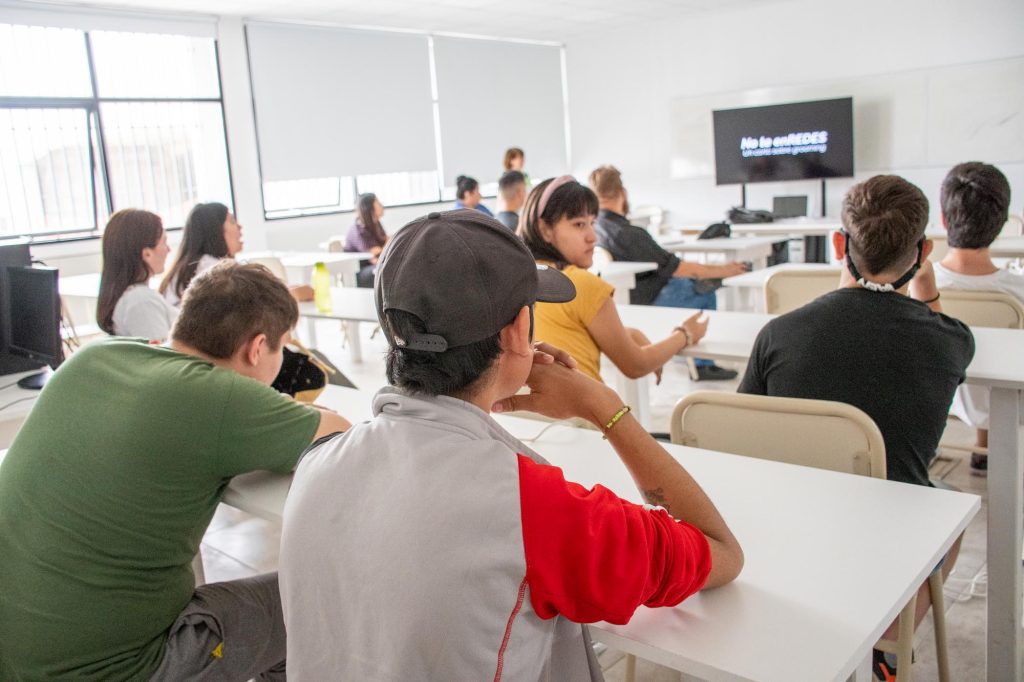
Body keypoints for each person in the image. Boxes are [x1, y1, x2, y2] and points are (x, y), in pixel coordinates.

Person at [279, 209, 743, 679]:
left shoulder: (318, 463)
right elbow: (721, 551)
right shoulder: (535, 509)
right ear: (519, 329)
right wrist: (604, 408)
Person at [0, 262, 352, 681]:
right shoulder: (218, 397)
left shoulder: (95, 357)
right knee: (309, 595)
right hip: (120, 670)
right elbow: (338, 431)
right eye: (282, 349)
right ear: (257, 348)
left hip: (18, 659)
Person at [736, 175, 974, 680]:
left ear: (839, 244)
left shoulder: (777, 335)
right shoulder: (951, 341)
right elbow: (925, 333)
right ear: (923, 252)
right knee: (950, 498)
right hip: (889, 548)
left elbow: (739, 442)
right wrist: (925, 291)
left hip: (786, 535)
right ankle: (886, 646)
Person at [518, 176, 711, 385]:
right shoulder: (578, 283)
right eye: (579, 224)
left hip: (524, 416)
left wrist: (628, 334)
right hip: (582, 413)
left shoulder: (514, 278)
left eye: (592, 223)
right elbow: (635, 365)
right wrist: (685, 334)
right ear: (545, 229)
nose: (593, 237)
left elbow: (563, 330)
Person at [589, 165, 748, 381]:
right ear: (623, 193)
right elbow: (680, 268)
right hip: (646, 298)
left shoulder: (593, 229)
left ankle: (688, 352)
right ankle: (702, 364)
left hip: (616, 300)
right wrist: (725, 270)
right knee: (703, 288)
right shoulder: (630, 233)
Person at [932, 161, 1017, 473]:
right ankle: (985, 445)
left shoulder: (920, 286)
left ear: (943, 219)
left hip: (942, 395)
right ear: (1003, 222)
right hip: (1009, 400)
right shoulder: (1017, 292)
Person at [161, 202, 313, 305]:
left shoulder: (189, 268)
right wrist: (296, 293)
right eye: (232, 221)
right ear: (215, 231)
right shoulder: (214, 271)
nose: (240, 226)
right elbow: (258, 303)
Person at [96, 208, 177, 340]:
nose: (168, 249)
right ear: (147, 254)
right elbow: (161, 357)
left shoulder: (132, 296)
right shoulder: (141, 300)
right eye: (164, 242)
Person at [344, 192, 389, 288]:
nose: (382, 205)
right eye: (378, 203)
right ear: (370, 208)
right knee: (389, 270)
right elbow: (376, 257)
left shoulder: (376, 224)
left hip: (374, 266)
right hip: (360, 272)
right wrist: (390, 242)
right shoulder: (359, 230)